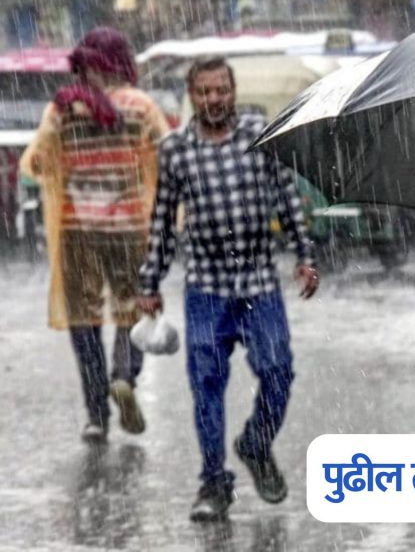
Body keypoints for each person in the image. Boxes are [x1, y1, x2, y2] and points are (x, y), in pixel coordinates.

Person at [137, 57, 319, 522]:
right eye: (204, 92)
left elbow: (287, 197)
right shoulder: (176, 149)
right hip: (206, 286)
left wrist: (305, 256)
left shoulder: (260, 135)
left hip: (258, 278)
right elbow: (161, 219)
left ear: (232, 92)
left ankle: (256, 444)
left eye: (221, 90)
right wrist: (150, 282)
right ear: (192, 96)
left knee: (278, 370)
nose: (213, 100)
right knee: (207, 386)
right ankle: (213, 483)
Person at [19, 27, 169, 442]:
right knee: (132, 309)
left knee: (83, 321)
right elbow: (168, 155)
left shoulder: (62, 109)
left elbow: (34, 163)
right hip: (128, 228)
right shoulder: (141, 106)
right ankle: (124, 374)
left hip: (76, 231)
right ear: (123, 61)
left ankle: (96, 415)